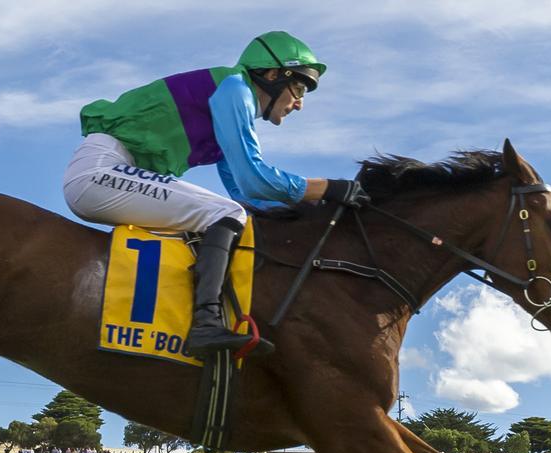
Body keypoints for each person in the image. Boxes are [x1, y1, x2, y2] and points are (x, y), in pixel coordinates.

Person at [65, 31, 369, 357]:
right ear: (272, 75)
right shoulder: (234, 90)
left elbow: (246, 196)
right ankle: (205, 323)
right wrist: (326, 188)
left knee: (229, 214)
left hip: (113, 173)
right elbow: (254, 180)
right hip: (101, 171)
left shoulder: (228, 102)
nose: (299, 103)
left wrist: (315, 210)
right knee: (224, 214)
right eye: (299, 88)